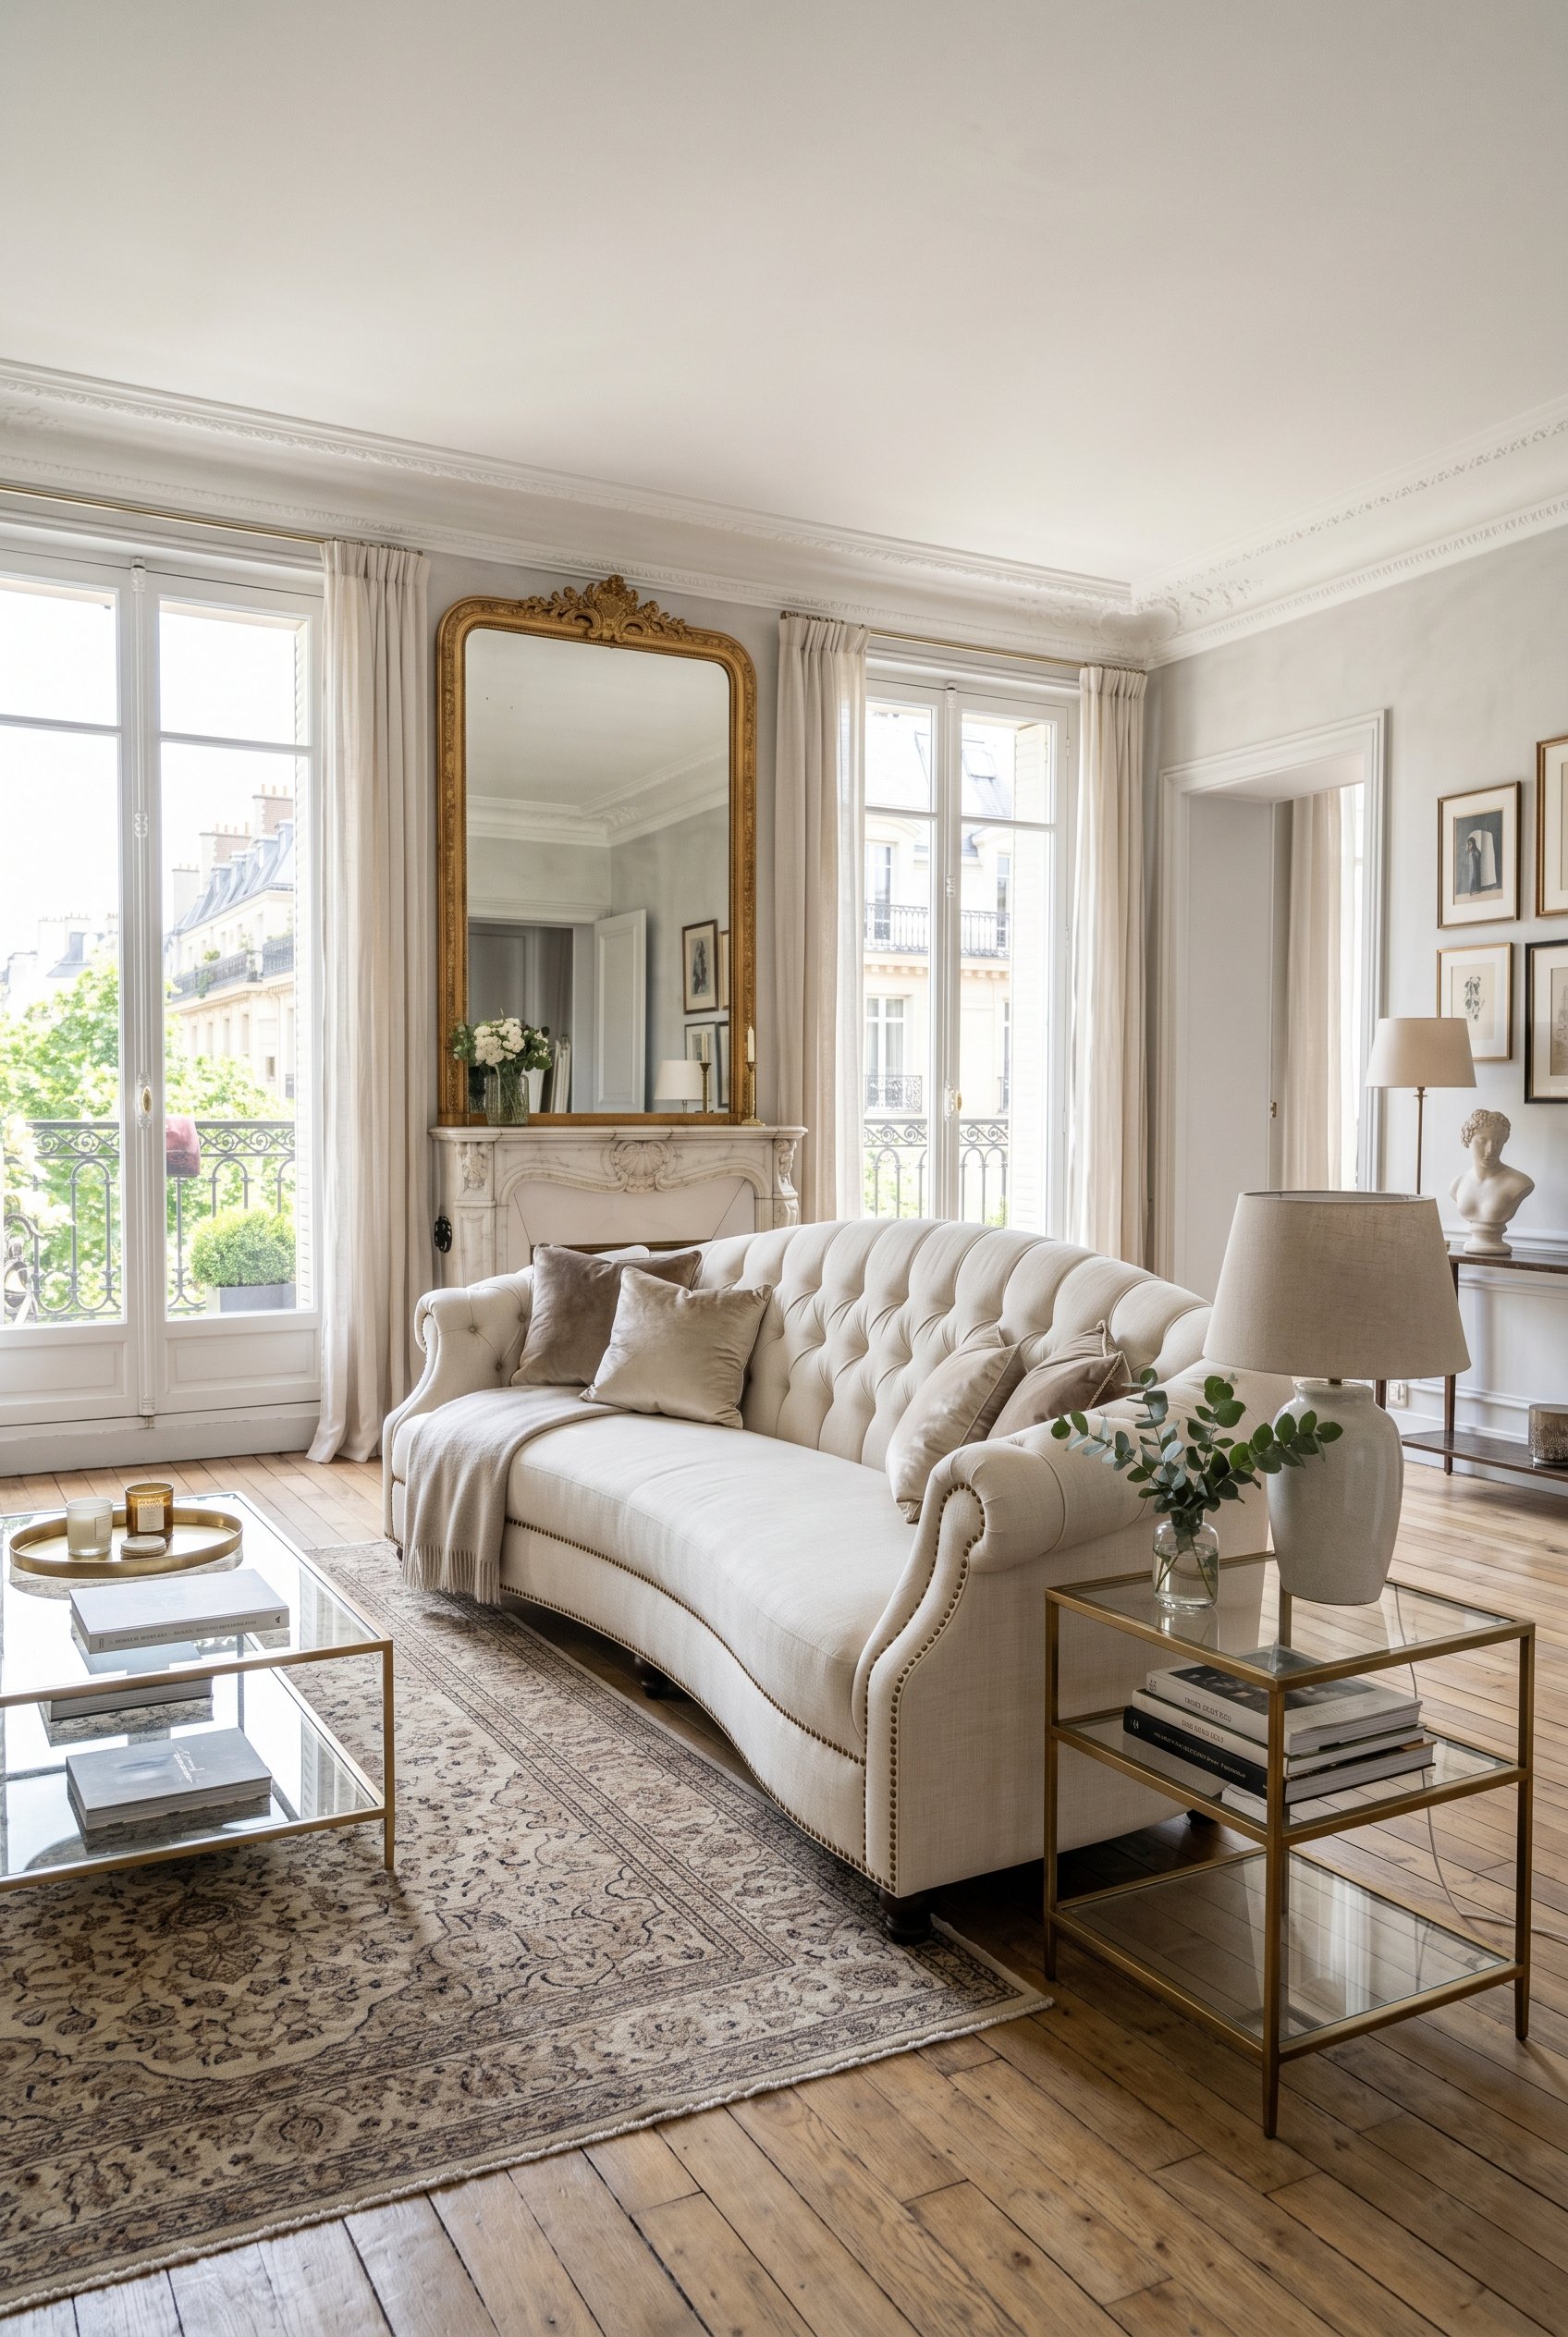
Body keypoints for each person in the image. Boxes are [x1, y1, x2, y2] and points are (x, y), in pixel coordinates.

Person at [1451, 1107, 1533, 1256]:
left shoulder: (1520, 1183)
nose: (1490, 1149)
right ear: (1468, 1140)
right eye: (1482, 1141)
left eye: (1497, 1142)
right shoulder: (1457, 1184)